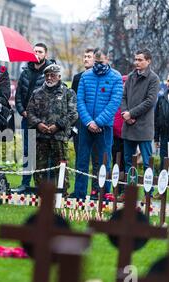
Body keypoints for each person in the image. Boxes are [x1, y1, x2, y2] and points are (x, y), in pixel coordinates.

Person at [71, 48, 123, 199]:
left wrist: (98, 122)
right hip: (85, 125)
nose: (98, 64)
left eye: (101, 62)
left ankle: (102, 193)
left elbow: (114, 103)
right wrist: (88, 122)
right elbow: (79, 100)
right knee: (82, 160)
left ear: (107, 60)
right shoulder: (85, 76)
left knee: (103, 162)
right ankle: (79, 193)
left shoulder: (116, 77)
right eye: (96, 61)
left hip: (104, 127)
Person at [27, 64, 78, 191]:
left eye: (53, 75)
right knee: (40, 168)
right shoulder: (37, 93)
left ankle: (62, 193)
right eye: (47, 75)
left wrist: (58, 125)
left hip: (59, 136)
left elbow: (73, 114)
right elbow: (30, 112)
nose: (49, 78)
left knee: (61, 167)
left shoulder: (68, 92)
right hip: (40, 135)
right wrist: (38, 124)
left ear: (59, 76)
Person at [13, 43, 53, 194]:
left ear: (45, 55)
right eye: (35, 51)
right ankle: (25, 184)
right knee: (27, 152)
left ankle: (42, 186)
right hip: (26, 119)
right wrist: (22, 111)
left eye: (40, 51)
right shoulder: (25, 72)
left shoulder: (50, 72)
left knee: (43, 153)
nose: (37, 54)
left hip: (43, 121)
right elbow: (18, 96)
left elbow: (52, 97)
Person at [121, 49, 160, 196]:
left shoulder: (153, 78)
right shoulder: (130, 77)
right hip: (129, 125)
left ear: (148, 61)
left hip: (144, 126)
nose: (136, 62)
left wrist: (132, 113)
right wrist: (126, 114)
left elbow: (150, 101)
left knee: (146, 163)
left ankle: (148, 193)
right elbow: (123, 97)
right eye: (135, 59)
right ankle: (129, 192)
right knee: (128, 163)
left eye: (140, 60)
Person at [71, 48, 99, 199]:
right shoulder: (77, 77)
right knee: (80, 159)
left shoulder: (100, 77)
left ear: (96, 59)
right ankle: (79, 190)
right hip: (80, 124)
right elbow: (73, 101)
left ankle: (95, 190)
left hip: (95, 123)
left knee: (96, 159)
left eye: (89, 56)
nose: (86, 59)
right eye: (84, 56)